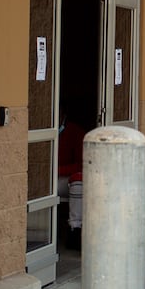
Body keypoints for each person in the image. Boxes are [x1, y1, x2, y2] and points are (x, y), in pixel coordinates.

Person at [56, 102, 87, 249]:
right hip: (45, 177)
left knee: (78, 184)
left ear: (63, 114)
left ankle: (75, 229)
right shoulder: (41, 127)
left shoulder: (75, 132)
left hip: (64, 177)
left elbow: (82, 165)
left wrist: (56, 170)